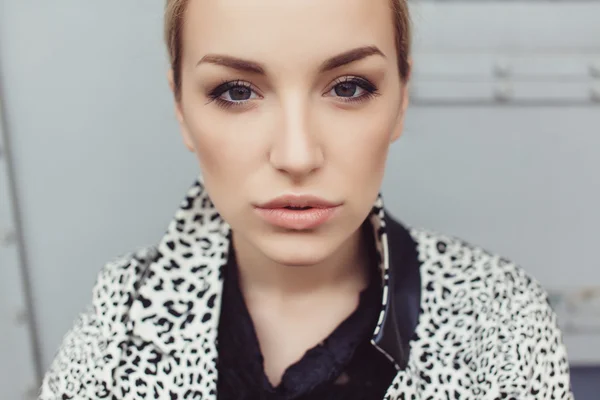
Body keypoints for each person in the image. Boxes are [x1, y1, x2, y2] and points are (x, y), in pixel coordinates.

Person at [39, 0, 573, 399]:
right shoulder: (119, 319)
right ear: (180, 108)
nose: (297, 155)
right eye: (236, 91)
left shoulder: (498, 316)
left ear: (401, 100)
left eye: (348, 87)